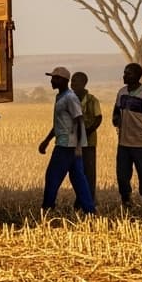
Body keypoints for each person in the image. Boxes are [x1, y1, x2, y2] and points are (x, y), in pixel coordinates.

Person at [38, 66, 96, 213]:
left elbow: (79, 120)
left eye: (54, 78)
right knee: (79, 180)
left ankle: (47, 208)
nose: (51, 80)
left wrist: (77, 147)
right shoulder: (61, 97)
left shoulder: (70, 98)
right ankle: (90, 210)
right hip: (67, 144)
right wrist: (47, 140)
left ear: (62, 80)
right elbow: (60, 124)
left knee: (52, 177)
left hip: (66, 146)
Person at [112, 62, 142, 211]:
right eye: (124, 72)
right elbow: (116, 111)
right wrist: (116, 119)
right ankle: (126, 202)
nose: (124, 76)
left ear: (137, 76)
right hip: (124, 143)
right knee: (122, 176)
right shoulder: (121, 93)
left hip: (141, 144)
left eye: (128, 73)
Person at [71, 71, 102, 204]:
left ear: (84, 84)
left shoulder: (92, 100)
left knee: (88, 172)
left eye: (75, 82)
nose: (72, 84)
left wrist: (87, 131)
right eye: (71, 81)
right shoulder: (69, 99)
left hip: (88, 142)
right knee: (76, 173)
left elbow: (98, 118)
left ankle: (89, 200)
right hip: (73, 142)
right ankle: (80, 199)